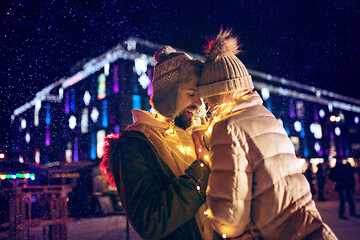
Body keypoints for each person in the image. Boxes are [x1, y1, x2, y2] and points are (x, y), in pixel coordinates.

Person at [193, 29, 337, 239]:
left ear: (216, 94)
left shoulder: (228, 126)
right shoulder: (267, 117)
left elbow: (229, 220)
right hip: (309, 229)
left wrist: (207, 217)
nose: (206, 106)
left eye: (207, 99)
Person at [100, 46, 213, 240]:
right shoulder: (135, 143)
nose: (199, 103)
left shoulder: (201, 134)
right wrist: (201, 170)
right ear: (169, 95)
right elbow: (151, 221)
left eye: (201, 95)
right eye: (191, 93)